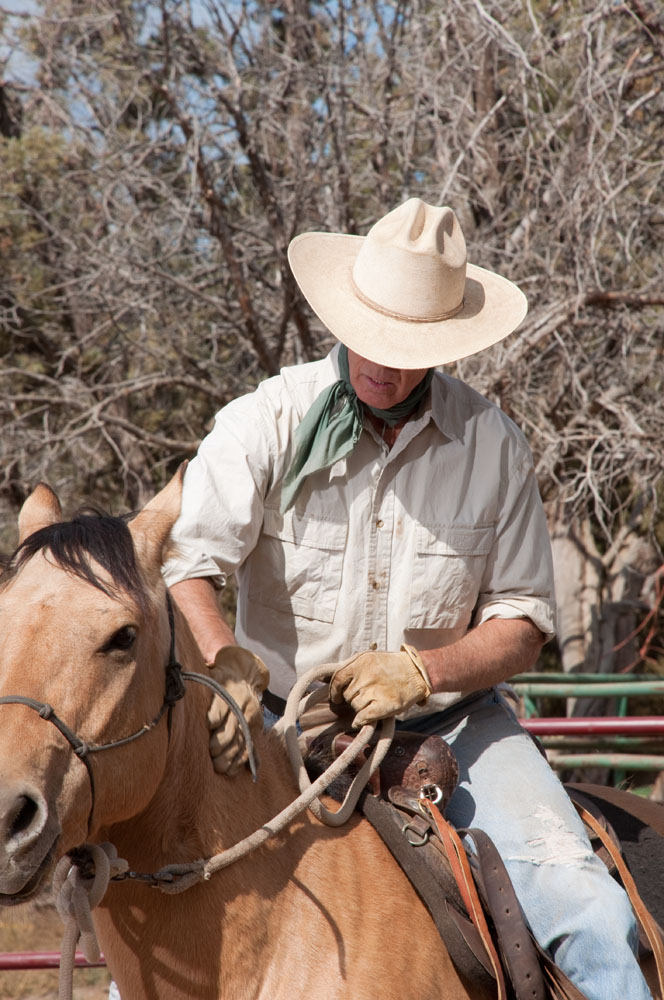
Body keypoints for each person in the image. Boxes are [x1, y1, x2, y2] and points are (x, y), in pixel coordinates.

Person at [163, 198, 652, 1000]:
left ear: (442, 346)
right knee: (161, 919)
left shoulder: (491, 444)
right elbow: (189, 559)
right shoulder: (265, 420)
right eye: (370, 338)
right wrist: (227, 659)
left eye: (405, 349)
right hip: (277, 719)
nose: (380, 364)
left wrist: (424, 673)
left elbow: (524, 622)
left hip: (456, 722)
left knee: (590, 917)